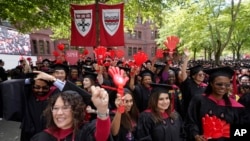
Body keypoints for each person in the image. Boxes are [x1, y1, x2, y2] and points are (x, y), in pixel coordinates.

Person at [185, 67, 247, 141]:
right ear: (211, 83)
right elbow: (190, 122)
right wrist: (195, 135)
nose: (223, 87)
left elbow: (241, 130)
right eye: (219, 84)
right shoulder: (199, 100)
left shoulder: (235, 106)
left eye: (227, 85)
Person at [31, 87, 112, 141]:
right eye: (55, 108)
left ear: (76, 110)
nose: (59, 113)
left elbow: (101, 137)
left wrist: (102, 110)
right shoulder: (43, 137)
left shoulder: (86, 131)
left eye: (65, 108)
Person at [179, 48, 207, 118]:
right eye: (200, 74)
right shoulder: (188, 84)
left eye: (203, 74)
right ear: (194, 76)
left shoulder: (204, 87)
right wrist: (187, 58)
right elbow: (183, 73)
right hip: (188, 114)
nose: (202, 76)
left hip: (200, 114)